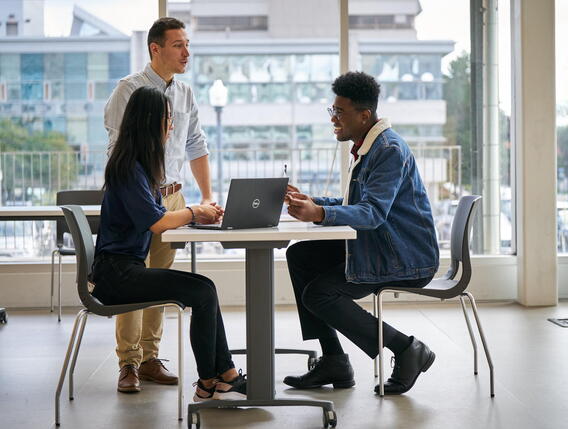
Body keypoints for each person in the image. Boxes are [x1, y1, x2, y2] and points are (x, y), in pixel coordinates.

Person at [283, 71, 439, 395]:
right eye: (333, 111)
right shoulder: (368, 147)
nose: (333, 119)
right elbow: (354, 204)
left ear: (364, 115)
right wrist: (314, 203)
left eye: (339, 112)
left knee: (319, 293)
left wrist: (321, 214)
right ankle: (334, 360)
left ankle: (406, 348)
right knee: (299, 254)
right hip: (380, 244)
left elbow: (372, 213)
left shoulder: (388, 150)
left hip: (405, 256)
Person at [91, 86, 246, 401]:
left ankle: (225, 375)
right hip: (116, 276)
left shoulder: (137, 165)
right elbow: (158, 222)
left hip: (121, 270)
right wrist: (194, 211)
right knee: (202, 291)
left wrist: (195, 215)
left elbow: (158, 215)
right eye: (167, 119)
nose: (171, 126)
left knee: (204, 288)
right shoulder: (128, 168)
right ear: (150, 122)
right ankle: (211, 381)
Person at [104, 17, 212, 393]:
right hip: (140, 198)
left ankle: (150, 358)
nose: (187, 52)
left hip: (173, 197)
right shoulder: (129, 90)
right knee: (133, 275)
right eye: (179, 45)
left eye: (187, 44)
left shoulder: (185, 93)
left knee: (158, 282)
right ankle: (128, 362)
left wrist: (206, 197)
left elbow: (196, 145)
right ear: (156, 49)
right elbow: (121, 150)